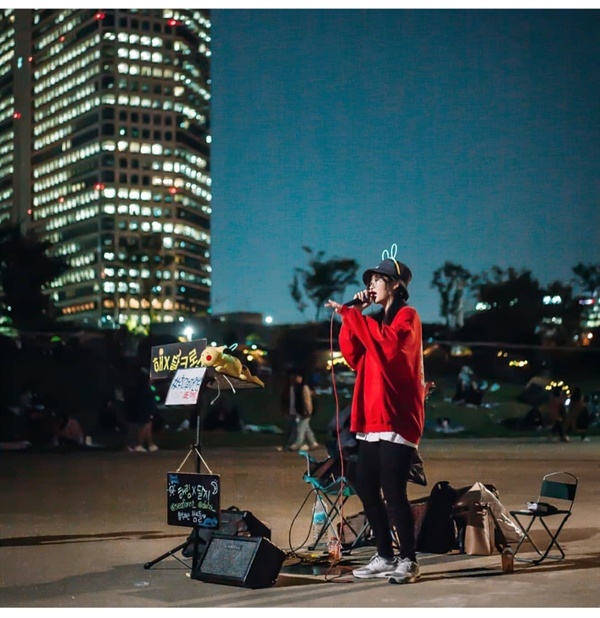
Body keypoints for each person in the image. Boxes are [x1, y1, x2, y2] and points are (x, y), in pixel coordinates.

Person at [325, 245, 425, 585]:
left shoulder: (407, 317)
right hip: (371, 418)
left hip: (396, 418)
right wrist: (352, 313)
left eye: (380, 278)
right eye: (372, 279)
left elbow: (388, 349)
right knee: (365, 485)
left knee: (393, 490)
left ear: (396, 285)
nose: (373, 284)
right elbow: (353, 354)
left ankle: (408, 559)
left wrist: (354, 317)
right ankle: (384, 555)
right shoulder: (372, 320)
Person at [124, 365, 159, 452]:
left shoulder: (138, 388)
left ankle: (148, 444)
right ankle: (140, 444)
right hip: (144, 411)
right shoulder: (146, 390)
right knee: (145, 427)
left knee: (145, 427)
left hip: (139, 410)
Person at [288, 372, 319, 451]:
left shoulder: (303, 387)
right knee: (306, 428)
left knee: (300, 428)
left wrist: (307, 410)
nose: (298, 379)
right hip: (301, 411)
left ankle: (297, 444)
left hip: (304, 411)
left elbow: (307, 400)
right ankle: (313, 442)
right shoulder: (297, 388)